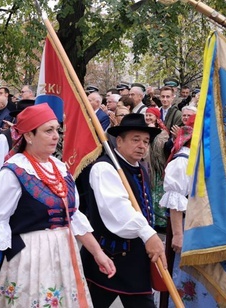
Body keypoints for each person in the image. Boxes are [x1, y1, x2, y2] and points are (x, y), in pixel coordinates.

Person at [0, 103, 115, 308]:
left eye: (57, 129)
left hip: (63, 256)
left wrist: (98, 253)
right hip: (29, 259)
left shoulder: (60, 168)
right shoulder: (12, 173)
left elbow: (73, 217)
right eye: (48, 130)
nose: (56, 136)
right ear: (29, 136)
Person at [77, 113, 167, 308]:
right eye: (136, 140)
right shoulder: (104, 168)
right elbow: (118, 210)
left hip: (135, 261)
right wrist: (149, 234)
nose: (142, 145)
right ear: (119, 141)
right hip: (107, 258)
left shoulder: (140, 168)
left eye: (146, 141)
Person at [159, 121, 216, 307]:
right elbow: (175, 199)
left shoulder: (205, 157)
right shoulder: (184, 159)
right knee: (187, 273)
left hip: (206, 227)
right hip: (189, 227)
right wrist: (178, 234)